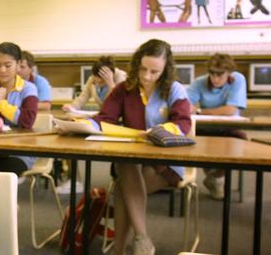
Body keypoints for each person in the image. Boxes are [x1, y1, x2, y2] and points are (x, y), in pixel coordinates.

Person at [90, 39, 192, 255]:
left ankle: (120, 250)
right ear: (137, 64)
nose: (146, 76)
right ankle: (141, 239)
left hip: (165, 164)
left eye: (154, 71)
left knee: (122, 188)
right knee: (127, 164)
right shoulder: (123, 89)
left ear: (165, 70)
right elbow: (104, 118)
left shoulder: (174, 89)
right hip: (133, 160)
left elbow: (183, 123)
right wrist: (81, 125)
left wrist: (161, 130)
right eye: (143, 69)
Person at [187, 53, 247, 200]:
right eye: (212, 73)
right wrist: (192, 108)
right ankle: (212, 176)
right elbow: (187, 106)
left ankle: (217, 177)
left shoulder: (238, 79)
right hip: (206, 127)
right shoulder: (198, 82)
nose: (215, 78)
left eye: (220, 74)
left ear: (229, 73)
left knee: (241, 139)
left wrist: (200, 110)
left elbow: (230, 110)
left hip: (229, 127)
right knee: (191, 138)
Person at [0, 42, 37, 176]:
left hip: (20, 152)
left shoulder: (28, 88)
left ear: (18, 64)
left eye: (8, 65)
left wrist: (1, 103)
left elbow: (27, 121)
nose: (2, 70)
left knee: (3, 171)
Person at [63, 55, 127, 112]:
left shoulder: (121, 77)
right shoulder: (92, 79)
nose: (98, 83)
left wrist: (111, 84)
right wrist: (71, 107)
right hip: (105, 115)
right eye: (95, 79)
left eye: (101, 82)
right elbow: (83, 97)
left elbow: (121, 101)